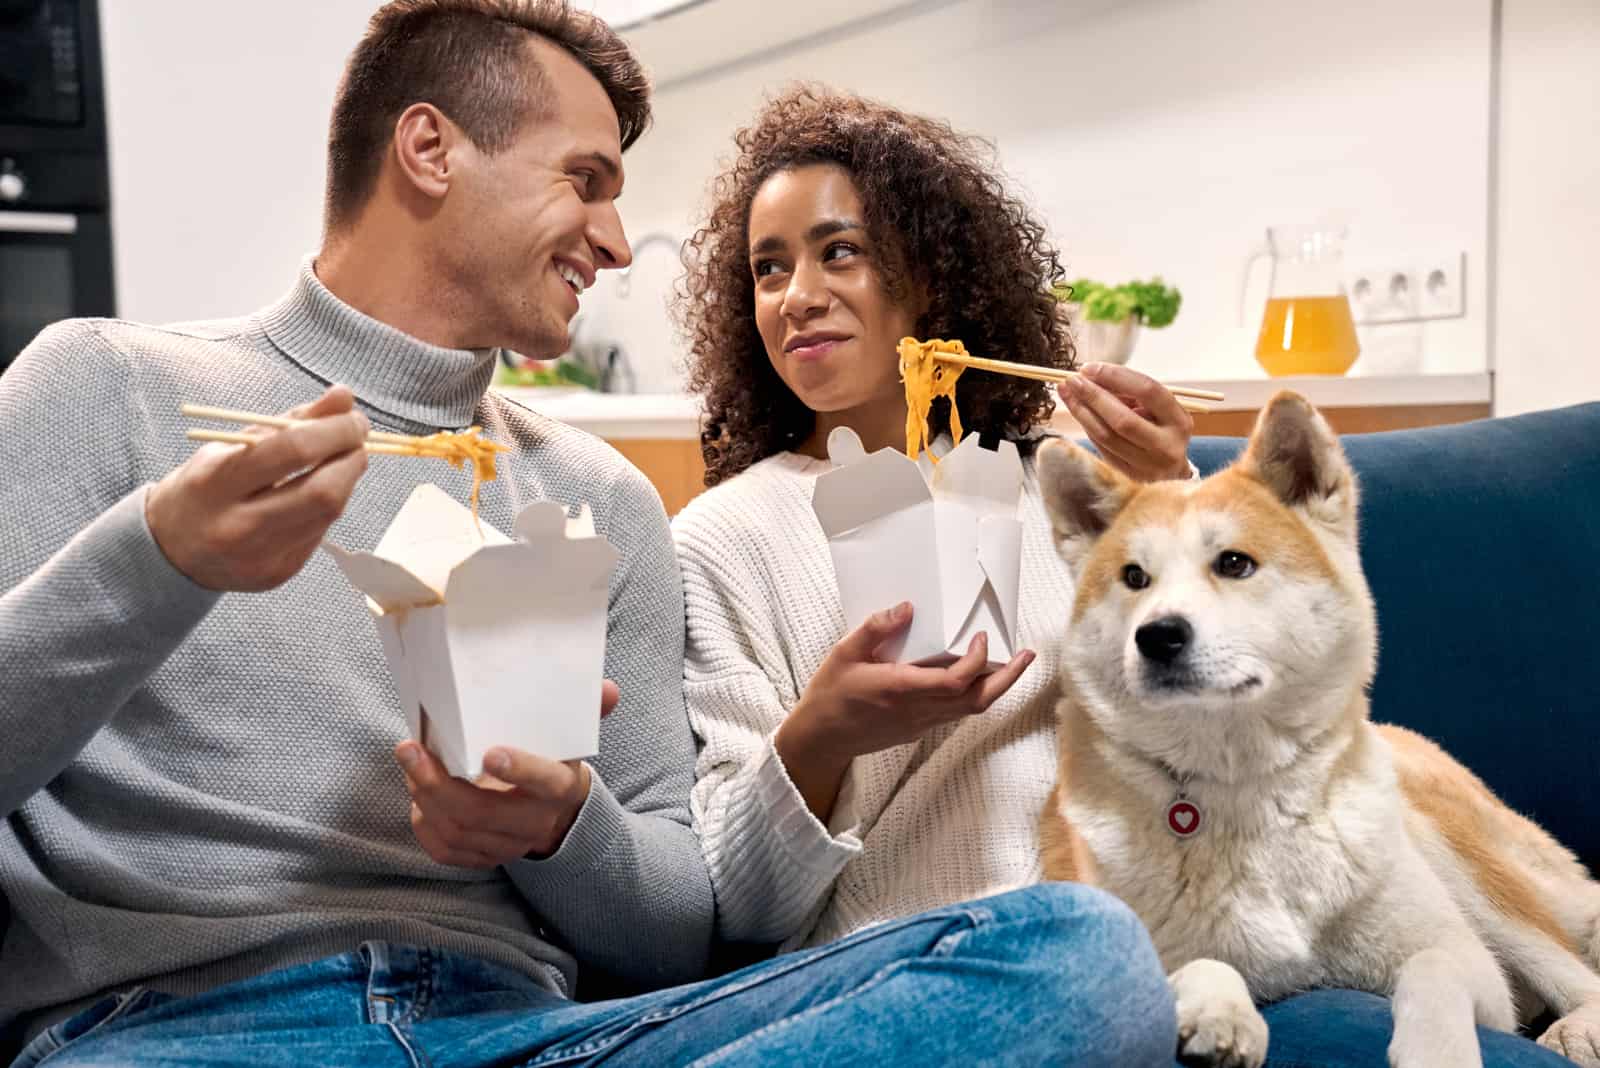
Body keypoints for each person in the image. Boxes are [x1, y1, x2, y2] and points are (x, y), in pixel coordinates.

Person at [0, 5, 1177, 1067]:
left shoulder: (596, 498)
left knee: (1076, 954)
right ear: (429, 149)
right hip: (181, 1032)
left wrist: (562, 827)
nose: (616, 245)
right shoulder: (116, 392)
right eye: (586, 180)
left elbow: (677, 935)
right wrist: (160, 563)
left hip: (531, 1038)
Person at [672, 85, 1575, 1068]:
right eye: (768, 268)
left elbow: (1253, 717)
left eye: (836, 250)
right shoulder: (722, 539)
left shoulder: (1059, 494)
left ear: (927, 276)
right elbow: (733, 902)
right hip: (915, 973)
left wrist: (1169, 488)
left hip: (1156, 943)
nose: (796, 292)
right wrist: (825, 733)